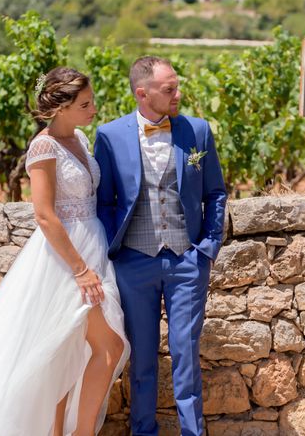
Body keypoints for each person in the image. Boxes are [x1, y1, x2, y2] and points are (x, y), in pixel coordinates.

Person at [0, 67, 129, 436]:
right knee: (109, 346)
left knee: (66, 354)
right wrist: (80, 270)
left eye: (92, 100)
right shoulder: (43, 146)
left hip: (92, 243)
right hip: (65, 257)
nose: (94, 107)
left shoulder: (80, 138)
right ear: (61, 107)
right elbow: (45, 215)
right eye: (85, 103)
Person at [94, 56, 227, 436]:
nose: (177, 93)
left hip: (188, 261)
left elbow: (215, 193)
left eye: (177, 85)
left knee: (186, 355)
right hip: (135, 264)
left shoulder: (197, 131)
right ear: (142, 93)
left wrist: (207, 248)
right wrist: (116, 251)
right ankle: (143, 431)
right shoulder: (110, 135)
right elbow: (103, 203)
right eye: (169, 89)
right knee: (142, 361)